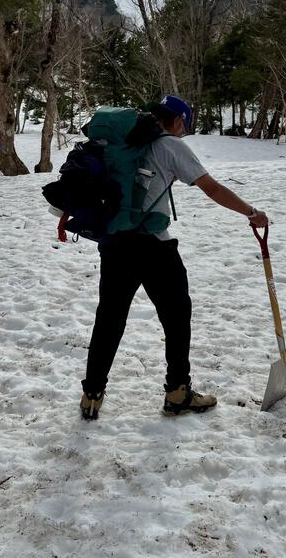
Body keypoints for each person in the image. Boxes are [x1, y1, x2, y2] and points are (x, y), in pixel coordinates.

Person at [80, 95, 269, 420]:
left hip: (114, 242)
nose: (184, 131)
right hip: (153, 245)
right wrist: (251, 212)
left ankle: (91, 396)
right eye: (186, 124)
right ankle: (178, 392)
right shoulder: (169, 145)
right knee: (177, 314)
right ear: (178, 120)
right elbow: (212, 188)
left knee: (110, 318)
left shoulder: (122, 142)